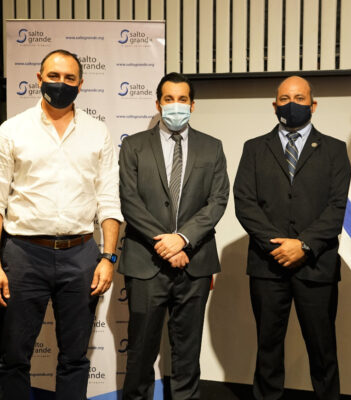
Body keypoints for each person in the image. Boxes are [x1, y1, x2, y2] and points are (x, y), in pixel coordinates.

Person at [0, 49, 122, 400]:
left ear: (81, 84)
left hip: (81, 255)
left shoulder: (98, 132)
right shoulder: (12, 131)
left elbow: (109, 200)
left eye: (70, 78)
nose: (61, 83)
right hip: (24, 255)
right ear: (39, 78)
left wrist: (108, 257)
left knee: (75, 358)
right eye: (54, 76)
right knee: (14, 357)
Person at [233, 76, 351, 400]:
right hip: (267, 265)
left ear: (313, 105)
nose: (291, 104)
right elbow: (244, 202)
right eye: (284, 99)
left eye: (299, 98)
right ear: (274, 106)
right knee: (268, 349)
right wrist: (279, 245)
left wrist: (303, 245)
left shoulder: (335, 150)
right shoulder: (254, 148)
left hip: (317, 266)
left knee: (323, 349)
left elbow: (340, 205)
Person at [118, 72, 230, 400]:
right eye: (169, 99)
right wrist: (166, 243)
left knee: (187, 353)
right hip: (145, 263)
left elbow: (218, 200)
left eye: (182, 99)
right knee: (140, 352)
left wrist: (182, 239)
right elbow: (129, 201)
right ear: (158, 104)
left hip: (194, 263)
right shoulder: (134, 145)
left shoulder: (212, 147)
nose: (175, 105)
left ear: (192, 105)